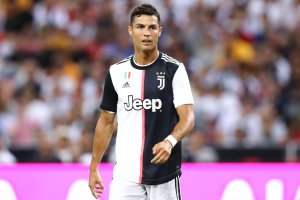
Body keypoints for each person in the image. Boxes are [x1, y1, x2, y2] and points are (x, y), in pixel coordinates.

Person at [88, 3, 194, 200]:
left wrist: (169, 142)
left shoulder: (174, 70)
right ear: (130, 31)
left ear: (160, 31)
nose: (146, 33)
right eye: (140, 27)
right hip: (126, 176)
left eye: (152, 27)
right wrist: (94, 167)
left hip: (164, 174)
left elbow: (188, 117)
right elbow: (106, 121)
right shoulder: (116, 73)